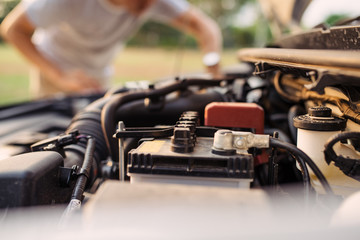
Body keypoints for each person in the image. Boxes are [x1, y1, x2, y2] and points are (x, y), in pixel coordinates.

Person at [0, 0, 223, 98]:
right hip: (54, 72)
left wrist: (212, 68)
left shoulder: (151, 1)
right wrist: (60, 76)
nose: (150, 5)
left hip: (99, 75)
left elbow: (204, 26)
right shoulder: (62, 1)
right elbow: (12, 29)